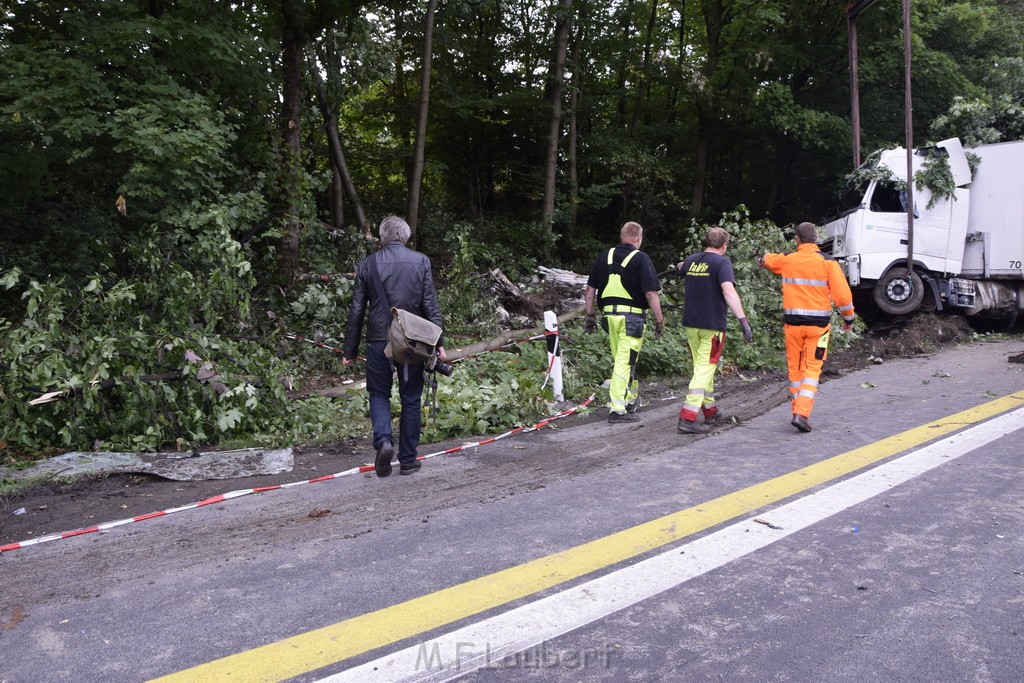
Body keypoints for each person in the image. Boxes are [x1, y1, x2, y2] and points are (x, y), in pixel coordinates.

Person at [344, 216, 446, 476]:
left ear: (382, 237)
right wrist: (439, 343)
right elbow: (430, 306)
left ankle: (384, 441)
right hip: (411, 343)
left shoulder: (367, 264)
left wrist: (349, 351)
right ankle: (409, 461)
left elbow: (356, 310)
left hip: (378, 341)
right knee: (411, 399)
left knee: (379, 394)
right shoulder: (421, 261)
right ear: (406, 237)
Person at [758, 221, 855, 432]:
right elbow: (843, 297)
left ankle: (796, 410)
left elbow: (771, 259)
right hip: (818, 328)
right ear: (817, 240)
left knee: (795, 369)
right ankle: (801, 413)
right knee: (812, 368)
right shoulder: (828, 263)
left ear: (797, 240)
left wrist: (762, 258)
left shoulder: (788, 260)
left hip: (793, 326)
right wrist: (849, 319)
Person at [583, 221, 666, 423]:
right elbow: (650, 294)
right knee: (624, 362)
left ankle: (629, 400)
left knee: (626, 360)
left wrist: (590, 316)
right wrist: (659, 320)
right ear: (638, 238)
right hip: (632, 320)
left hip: (610, 317)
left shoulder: (605, 256)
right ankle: (617, 409)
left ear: (622, 237)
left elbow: (590, 291)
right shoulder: (641, 258)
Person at [675, 226, 754, 434]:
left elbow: (681, 267)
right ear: (724, 245)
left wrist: (679, 265)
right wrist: (743, 321)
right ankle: (688, 416)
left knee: (703, 368)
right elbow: (728, 290)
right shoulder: (722, 263)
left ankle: (709, 411)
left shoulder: (692, 260)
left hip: (691, 324)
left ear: (707, 242)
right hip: (711, 326)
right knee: (704, 369)